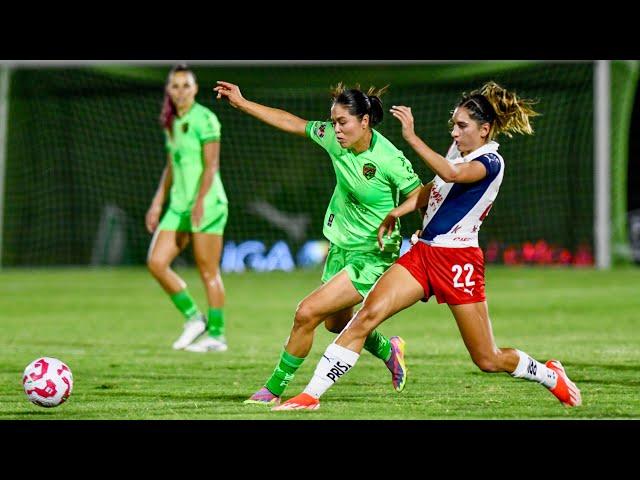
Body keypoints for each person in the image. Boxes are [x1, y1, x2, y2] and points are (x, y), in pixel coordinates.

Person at [274, 81, 583, 411]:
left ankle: (551, 376)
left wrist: (411, 137)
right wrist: (399, 210)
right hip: (424, 253)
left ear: (485, 129)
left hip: (458, 262)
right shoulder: (458, 152)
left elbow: (450, 174)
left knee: (488, 359)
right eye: (454, 125)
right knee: (365, 318)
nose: (455, 133)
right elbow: (433, 188)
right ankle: (311, 395)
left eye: (462, 126)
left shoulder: (491, 163)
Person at [214, 80, 423, 405]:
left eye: (343, 122)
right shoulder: (333, 139)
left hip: (373, 254)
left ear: (364, 121)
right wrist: (243, 103)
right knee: (335, 322)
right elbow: (292, 122)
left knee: (306, 313)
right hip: (341, 247)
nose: (335, 129)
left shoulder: (389, 159)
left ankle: (273, 389)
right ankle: (388, 348)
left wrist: (398, 214)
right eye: (333, 121)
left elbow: (421, 195)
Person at [146, 64, 229, 353]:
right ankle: (194, 318)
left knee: (208, 271)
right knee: (156, 263)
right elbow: (171, 166)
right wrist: (157, 202)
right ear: (169, 90)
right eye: (175, 86)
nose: (180, 91)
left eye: (186, 85)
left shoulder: (205, 119)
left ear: (194, 89)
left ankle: (217, 335)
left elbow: (212, 165)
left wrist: (199, 201)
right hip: (178, 206)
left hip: (207, 204)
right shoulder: (170, 122)